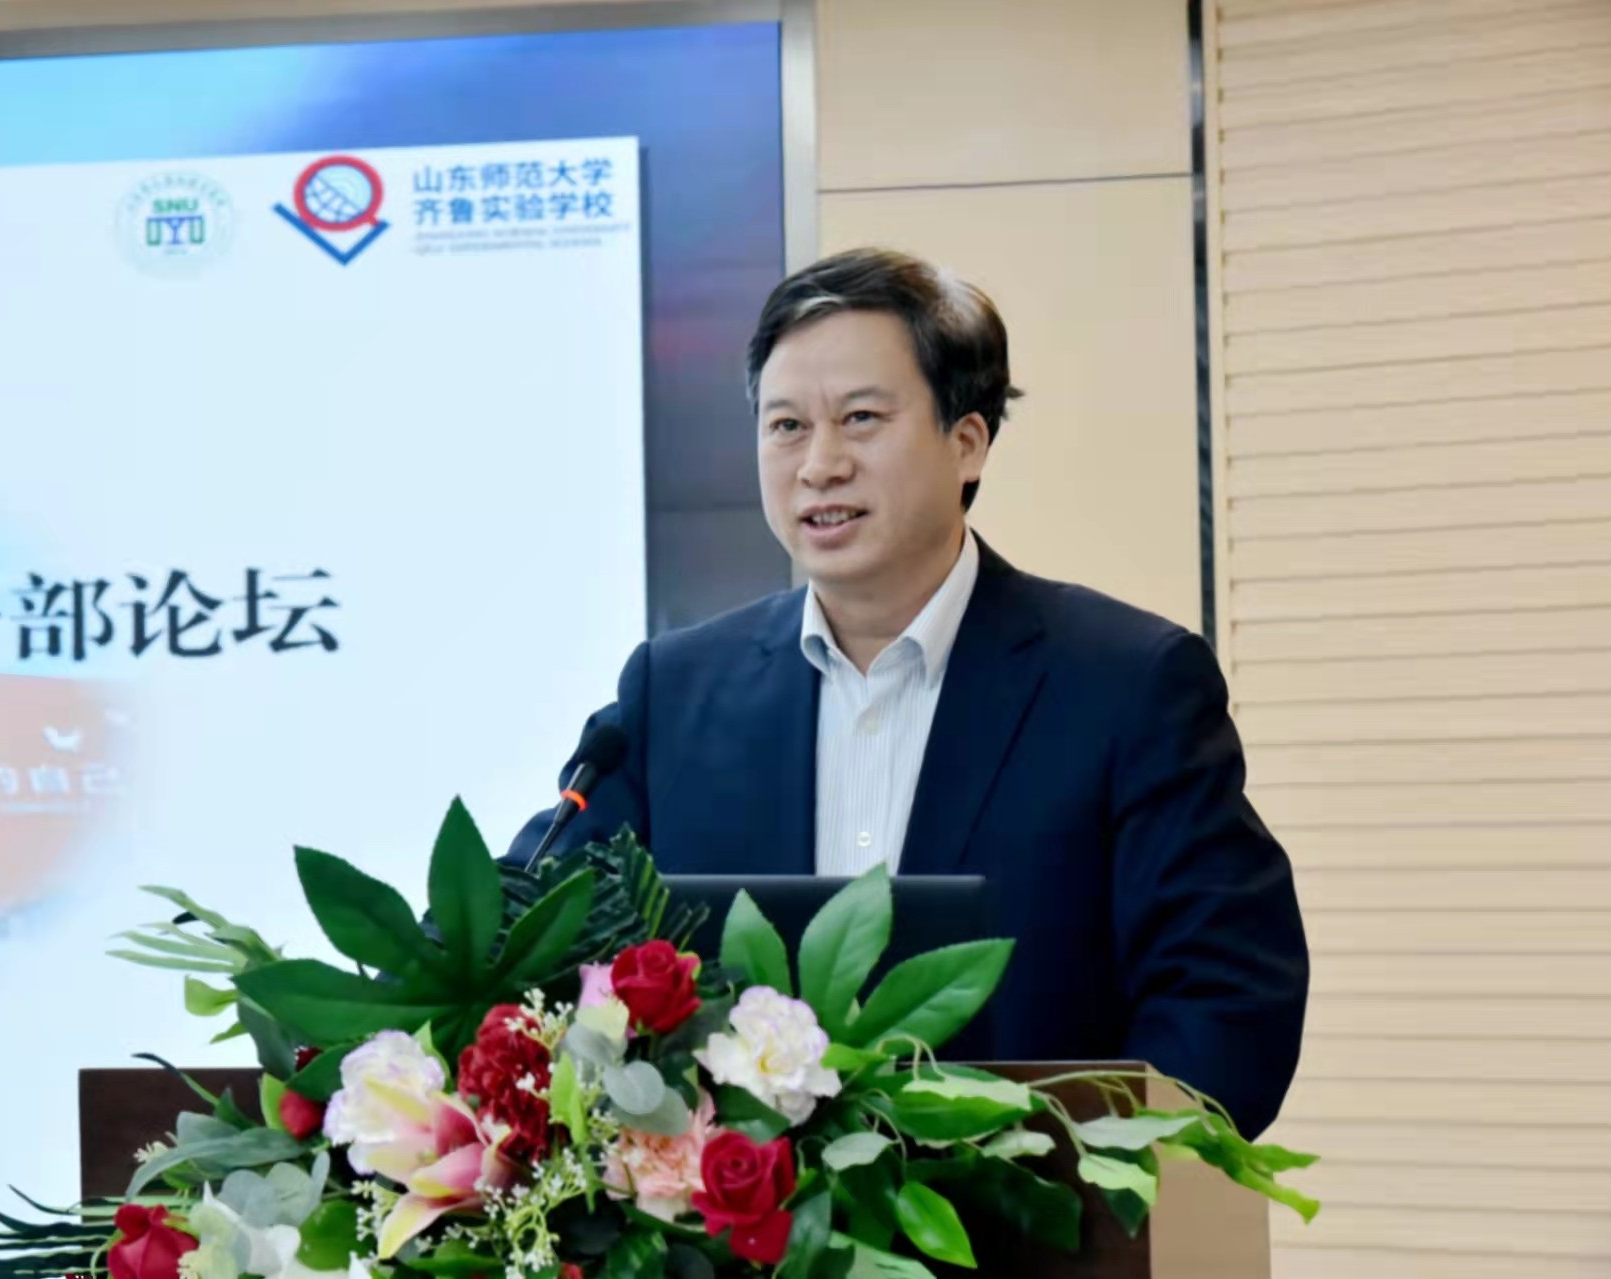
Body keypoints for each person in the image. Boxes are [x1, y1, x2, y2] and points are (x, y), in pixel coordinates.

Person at [511, 247, 1307, 1138]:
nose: (819, 464)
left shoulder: (1127, 683)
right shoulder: (676, 690)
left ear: (967, 441)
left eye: (860, 418)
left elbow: (1228, 995)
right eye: (786, 426)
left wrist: (1091, 1174)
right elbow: (527, 931)